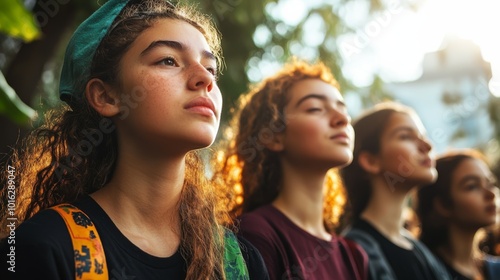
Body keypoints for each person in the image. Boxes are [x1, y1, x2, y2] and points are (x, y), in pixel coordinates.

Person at [0, 0, 268, 279]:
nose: (205, 79)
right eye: (168, 60)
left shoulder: (239, 263)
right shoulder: (44, 247)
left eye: (211, 68)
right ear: (106, 96)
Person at [211, 59, 368, 280]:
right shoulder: (255, 235)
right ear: (274, 135)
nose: (342, 119)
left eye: (344, 110)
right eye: (315, 108)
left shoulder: (354, 255)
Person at [340, 101, 451, 280]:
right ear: (370, 161)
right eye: (406, 136)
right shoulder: (354, 251)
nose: (427, 146)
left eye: (423, 135)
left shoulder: (420, 251)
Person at [417, 149, 500, 279]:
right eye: (472, 186)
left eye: (490, 183)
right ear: (443, 205)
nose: (491, 194)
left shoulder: (495, 269)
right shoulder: (424, 272)